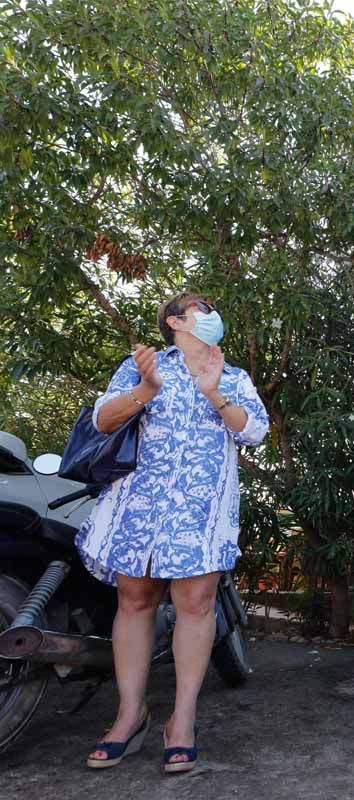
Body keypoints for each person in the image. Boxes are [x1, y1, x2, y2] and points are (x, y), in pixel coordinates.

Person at [77, 291, 269, 773]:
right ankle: (130, 714)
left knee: (196, 603)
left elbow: (253, 431)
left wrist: (214, 392)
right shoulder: (140, 366)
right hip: (139, 505)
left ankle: (182, 720)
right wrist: (146, 389)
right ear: (175, 321)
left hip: (201, 508)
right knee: (135, 600)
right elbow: (102, 421)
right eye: (202, 308)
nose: (213, 315)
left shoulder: (233, 375)